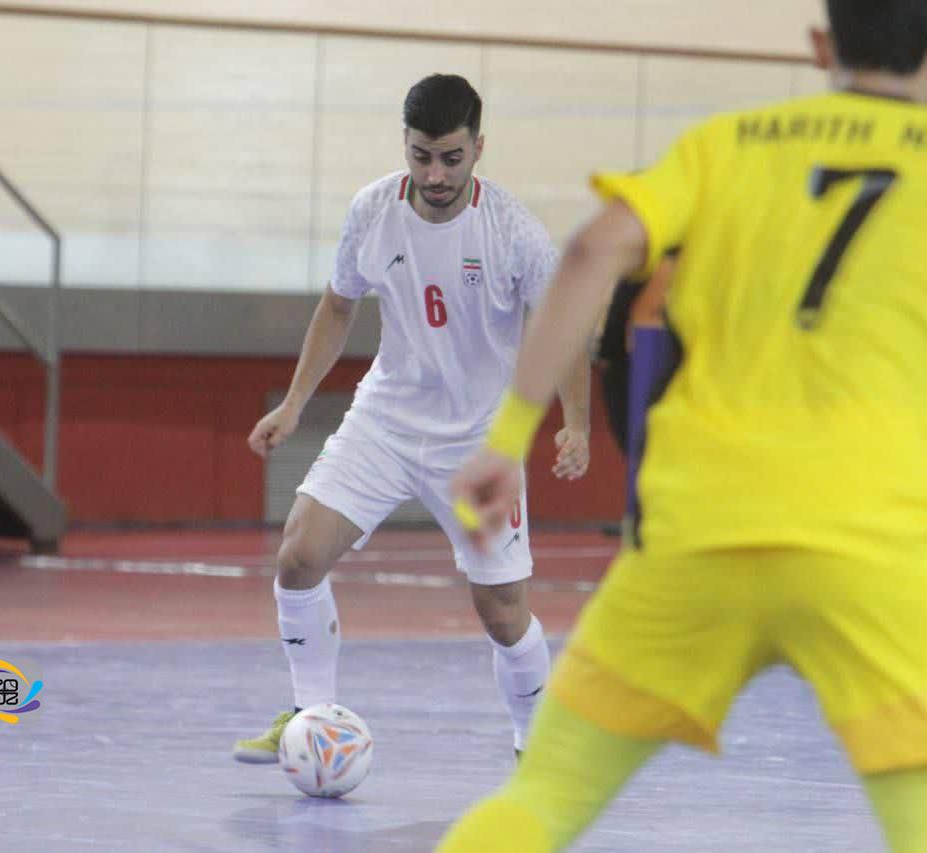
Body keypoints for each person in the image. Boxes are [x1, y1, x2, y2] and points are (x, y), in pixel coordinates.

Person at [441, 2, 927, 850]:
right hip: (873, 546)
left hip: (695, 531)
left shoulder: (728, 144)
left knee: (543, 796)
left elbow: (592, 252)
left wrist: (509, 436)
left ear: (822, 45)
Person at [232, 74, 592, 764]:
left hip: (480, 440)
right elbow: (338, 305)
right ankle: (310, 717)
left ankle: (536, 743)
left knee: (503, 612)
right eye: (422, 156)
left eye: (451, 158)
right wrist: (295, 402)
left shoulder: (513, 231)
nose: (435, 175)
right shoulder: (372, 210)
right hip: (387, 421)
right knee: (299, 555)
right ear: (405, 143)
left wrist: (575, 423)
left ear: (478, 148)